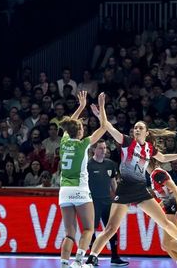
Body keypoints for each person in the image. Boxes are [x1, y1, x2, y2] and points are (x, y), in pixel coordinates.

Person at [86, 105, 177, 267]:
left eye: (140, 128)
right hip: (125, 189)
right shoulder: (127, 142)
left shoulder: (149, 148)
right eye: (135, 127)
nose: (136, 129)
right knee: (110, 229)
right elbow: (109, 127)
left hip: (141, 191)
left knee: (164, 221)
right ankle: (90, 260)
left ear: (146, 132)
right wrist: (102, 114)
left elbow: (163, 158)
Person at [57, 91, 110, 268]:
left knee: (69, 233)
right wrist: (102, 108)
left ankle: (64, 263)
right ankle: (79, 261)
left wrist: (80, 107)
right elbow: (104, 127)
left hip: (64, 191)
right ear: (79, 132)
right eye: (82, 128)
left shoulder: (64, 142)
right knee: (88, 229)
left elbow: (68, 126)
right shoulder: (83, 144)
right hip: (79, 189)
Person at [149, 158, 177, 268]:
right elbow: (167, 196)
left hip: (176, 208)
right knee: (166, 244)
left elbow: (175, 190)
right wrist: (158, 207)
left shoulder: (157, 173)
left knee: (168, 243)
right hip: (171, 207)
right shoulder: (154, 175)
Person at [87, 140, 127, 266]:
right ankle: (92, 257)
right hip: (93, 202)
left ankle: (115, 257)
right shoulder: (88, 165)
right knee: (92, 230)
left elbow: (113, 182)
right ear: (94, 150)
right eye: (100, 148)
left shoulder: (110, 164)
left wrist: (117, 197)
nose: (103, 150)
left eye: (104, 148)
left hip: (107, 202)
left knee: (112, 228)